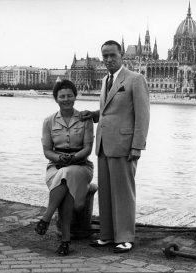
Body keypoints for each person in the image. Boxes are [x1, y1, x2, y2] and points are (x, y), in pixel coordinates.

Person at [83, 40, 150, 253]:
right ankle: (107, 235)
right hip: (103, 144)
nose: (109, 60)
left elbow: (143, 116)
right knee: (106, 193)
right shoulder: (105, 80)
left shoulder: (135, 79)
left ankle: (125, 237)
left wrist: (137, 146)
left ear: (122, 56)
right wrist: (93, 115)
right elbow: (108, 110)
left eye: (112, 55)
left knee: (123, 193)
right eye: (105, 56)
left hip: (124, 145)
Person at [35, 79, 94, 256]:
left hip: (82, 166)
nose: (66, 99)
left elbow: (88, 148)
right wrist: (60, 158)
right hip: (55, 166)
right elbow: (47, 151)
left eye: (69, 95)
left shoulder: (86, 119)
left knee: (66, 173)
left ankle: (46, 218)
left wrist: (73, 158)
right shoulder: (48, 121)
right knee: (65, 183)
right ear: (56, 99)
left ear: (75, 97)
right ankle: (65, 241)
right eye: (62, 96)